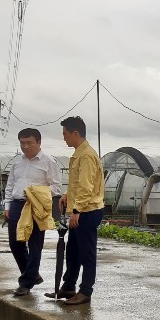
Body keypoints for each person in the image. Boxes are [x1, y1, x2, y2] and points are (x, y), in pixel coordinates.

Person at [49, 116, 105, 306]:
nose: (63, 137)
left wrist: (76, 211)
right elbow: (78, 183)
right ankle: (69, 286)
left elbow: (87, 187)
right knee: (73, 250)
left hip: (87, 211)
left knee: (86, 252)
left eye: (65, 134)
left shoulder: (87, 155)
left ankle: (86, 291)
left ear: (75, 133)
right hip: (80, 209)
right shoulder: (79, 154)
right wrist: (67, 195)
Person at [4, 128, 62, 297]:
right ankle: (32, 274)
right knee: (15, 243)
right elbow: (10, 186)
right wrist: (7, 208)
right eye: (22, 143)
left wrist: (36, 192)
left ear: (38, 142)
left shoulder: (48, 162)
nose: (25, 146)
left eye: (29, 143)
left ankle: (26, 283)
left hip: (37, 206)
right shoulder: (16, 162)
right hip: (17, 205)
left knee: (35, 244)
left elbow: (56, 187)